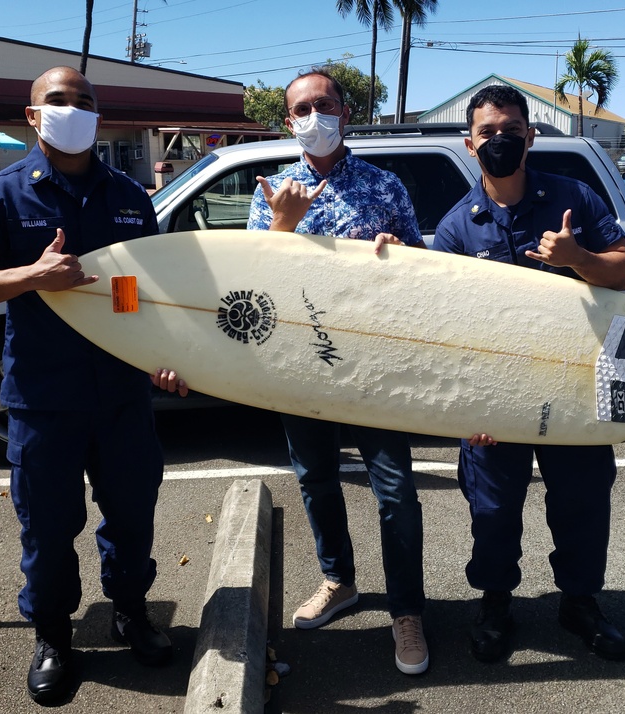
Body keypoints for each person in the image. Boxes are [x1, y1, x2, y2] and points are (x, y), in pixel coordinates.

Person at [0, 66, 187, 704]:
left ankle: (131, 612)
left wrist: (159, 353)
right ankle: (53, 635)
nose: (73, 110)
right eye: (59, 101)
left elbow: (138, 292)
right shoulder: (1, 196)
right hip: (44, 399)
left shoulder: (130, 195)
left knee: (131, 516)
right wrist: (28, 276)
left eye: (85, 102)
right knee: (48, 527)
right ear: (32, 115)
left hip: (124, 396)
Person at [432, 84, 625, 663]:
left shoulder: (573, 199)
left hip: (573, 386)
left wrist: (579, 260)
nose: (501, 140)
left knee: (583, 498)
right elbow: (443, 329)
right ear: (470, 144)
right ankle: (495, 605)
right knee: (493, 508)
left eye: (511, 130)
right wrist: (466, 407)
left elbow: (622, 272)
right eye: (488, 132)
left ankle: (580, 603)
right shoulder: (455, 229)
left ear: (531, 135)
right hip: (495, 396)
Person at [246, 68, 430, 675]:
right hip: (302, 363)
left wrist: (400, 256)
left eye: (323, 104)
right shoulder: (271, 190)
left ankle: (407, 611)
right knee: (316, 478)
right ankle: (339, 581)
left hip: (375, 365)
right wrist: (283, 225)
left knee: (396, 490)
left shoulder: (384, 185)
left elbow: (424, 275)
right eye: (301, 108)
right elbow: (253, 285)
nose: (313, 115)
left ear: (345, 112)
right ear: (289, 120)